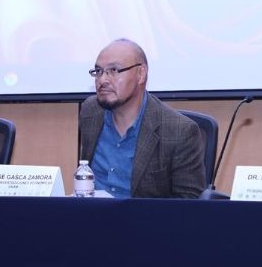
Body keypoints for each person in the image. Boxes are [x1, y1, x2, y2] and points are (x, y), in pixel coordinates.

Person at [79, 39, 205, 198]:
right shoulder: (90, 111)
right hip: (92, 218)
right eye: (98, 71)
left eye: (114, 70)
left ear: (141, 74)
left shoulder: (179, 131)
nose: (102, 80)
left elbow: (188, 204)